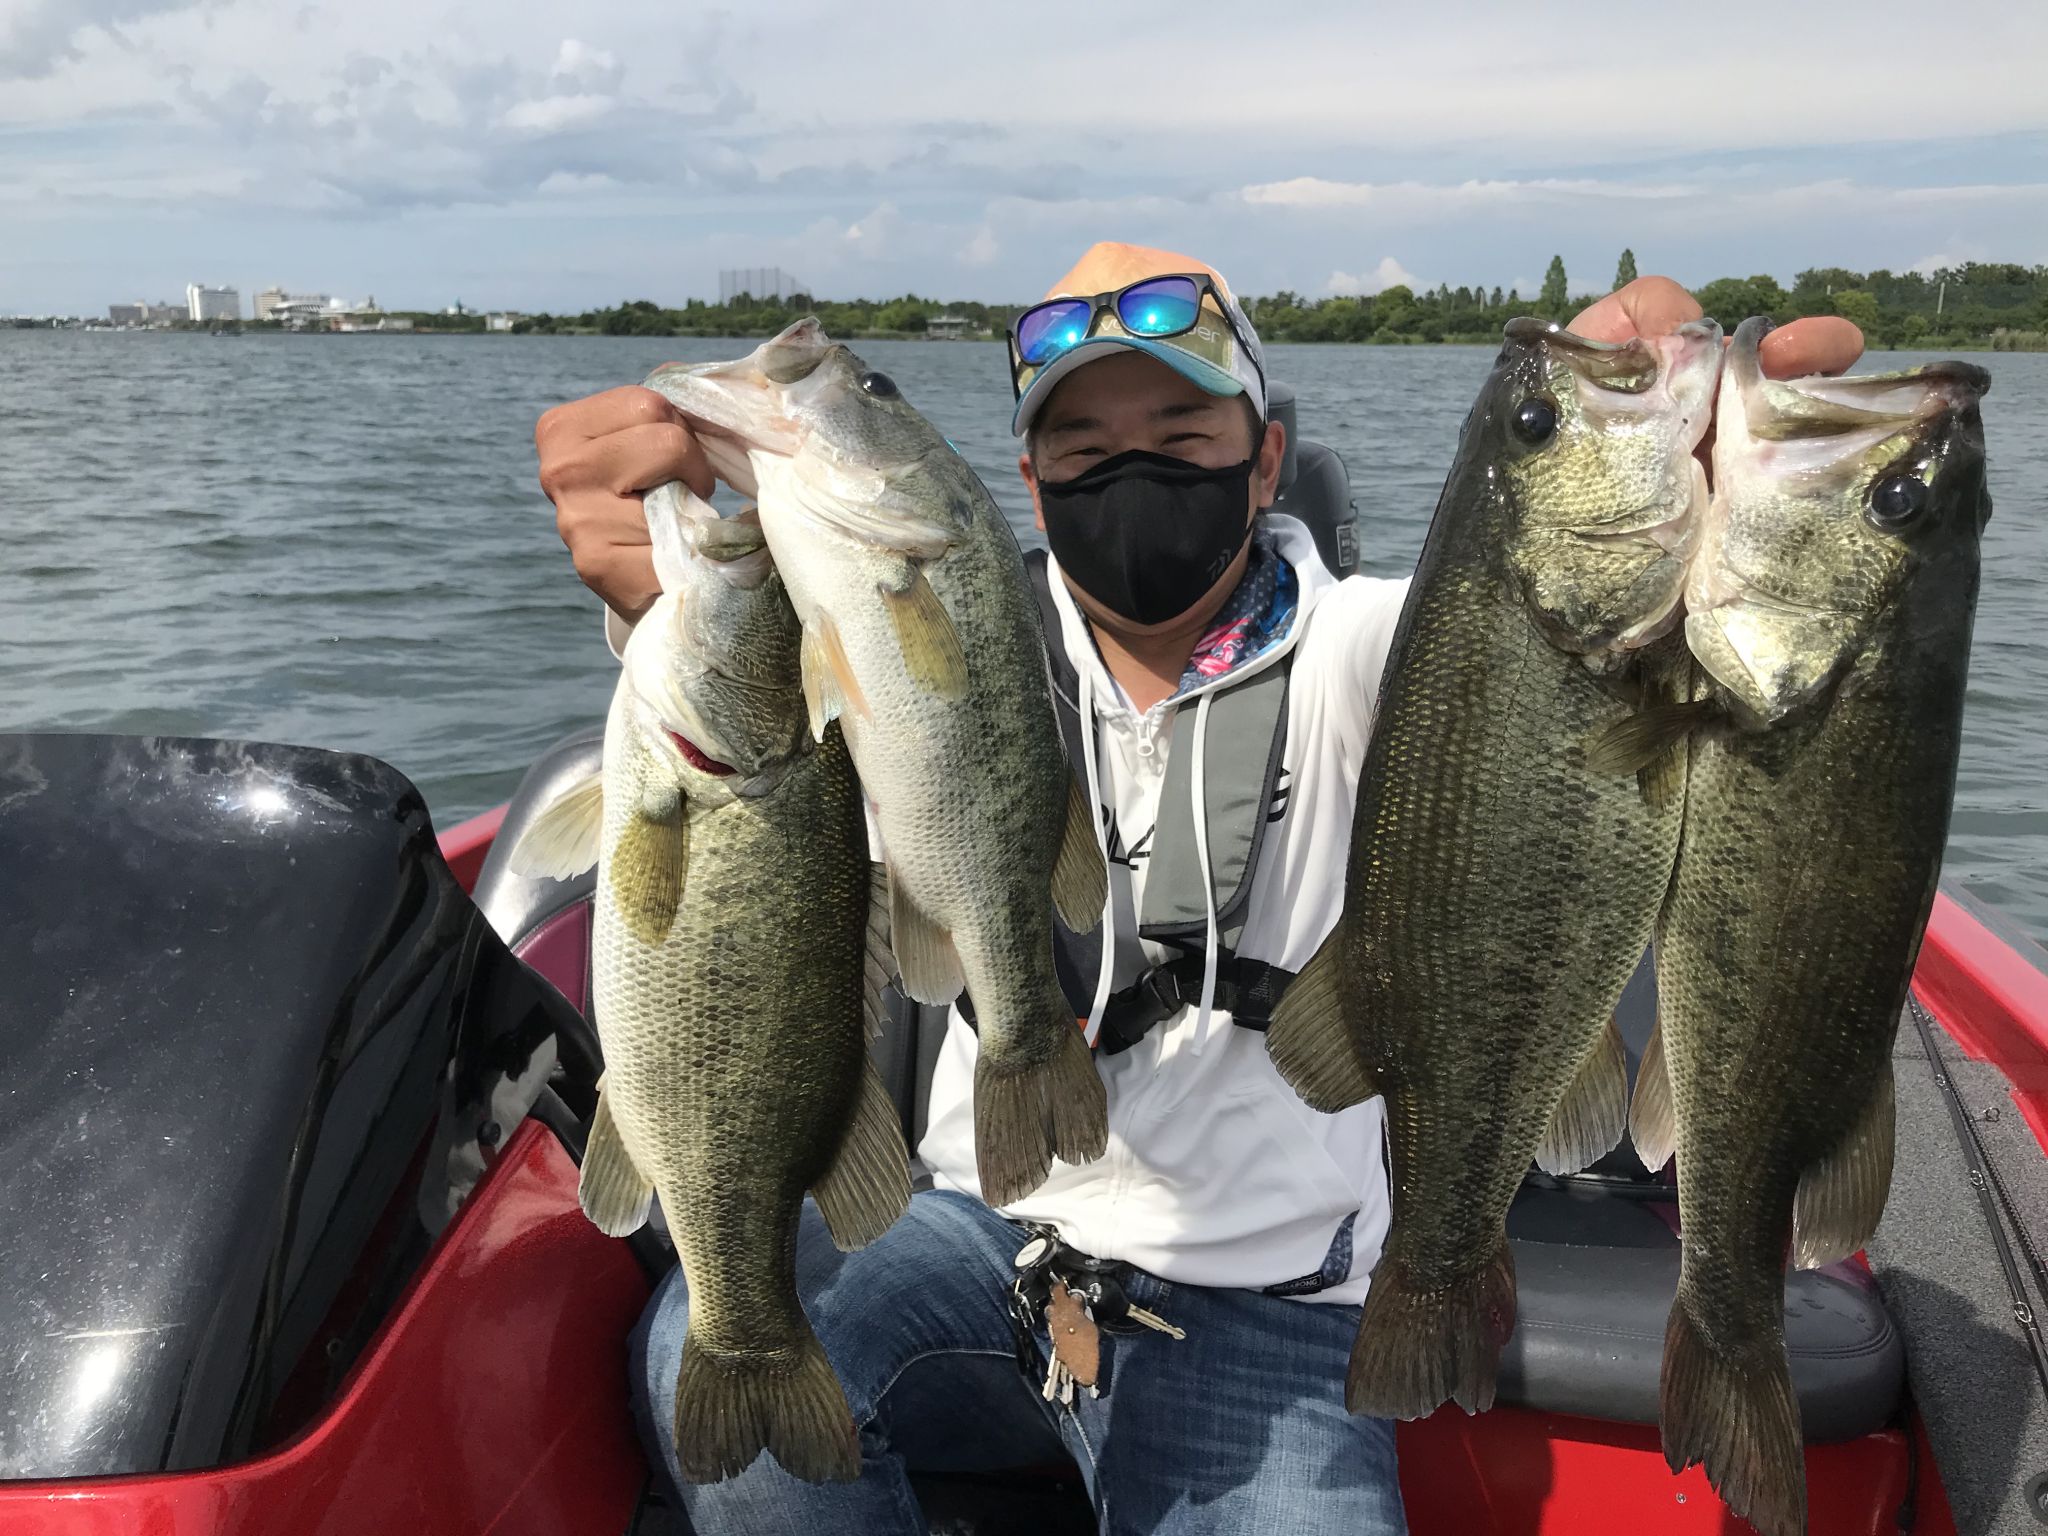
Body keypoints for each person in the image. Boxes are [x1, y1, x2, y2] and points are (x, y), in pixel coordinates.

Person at [535, 244, 1865, 1536]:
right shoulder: (936, 644)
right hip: (976, 1245)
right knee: (702, 1351)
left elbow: (1560, 658)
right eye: (1085, 443)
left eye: (1181, 429)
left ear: (1264, 456)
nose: (1133, 466)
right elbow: (756, 768)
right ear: (1031, 477)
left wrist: (1677, 450)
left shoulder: (1376, 649)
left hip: (1274, 1310)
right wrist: (658, 594)